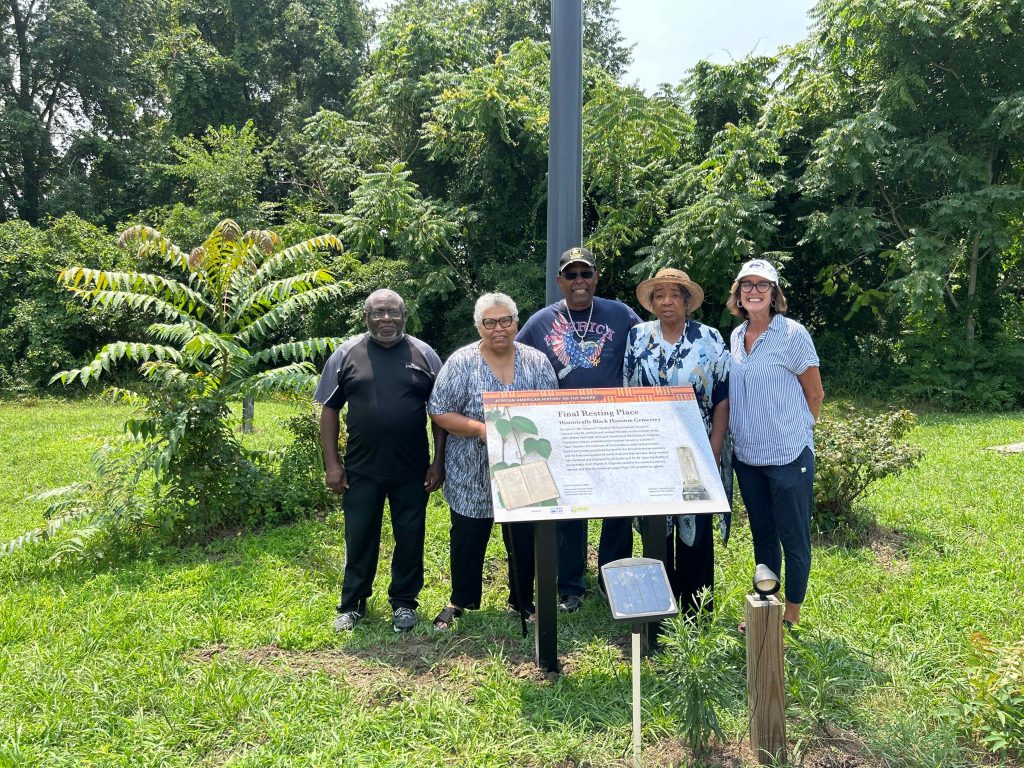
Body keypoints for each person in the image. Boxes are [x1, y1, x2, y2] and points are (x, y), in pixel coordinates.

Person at [517, 247, 642, 612]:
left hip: (613, 426)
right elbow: (516, 356)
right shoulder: (541, 321)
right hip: (563, 430)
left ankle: (612, 577)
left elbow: (646, 350)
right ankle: (570, 585)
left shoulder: (620, 314)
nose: (579, 282)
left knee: (618, 507)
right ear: (560, 281)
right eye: (571, 275)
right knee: (570, 509)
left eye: (585, 274)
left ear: (595, 277)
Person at [315, 289, 446, 633]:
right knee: (359, 537)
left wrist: (438, 462)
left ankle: (404, 603)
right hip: (360, 470)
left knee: (410, 537)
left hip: (412, 470)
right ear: (366, 317)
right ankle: (352, 604)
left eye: (392, 312)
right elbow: (329, 409)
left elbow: (440, 414)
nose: (385, 319)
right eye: (378, 313)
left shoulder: (426, 355)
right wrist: (332, 464)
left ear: (404, 316)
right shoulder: (346, 354)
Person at [427, 293, 558, 630]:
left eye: (505, 321)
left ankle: (523, 600)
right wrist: (481, 428)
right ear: (479, 326)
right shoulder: (460, 362)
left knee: (525, 535)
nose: (498, 328)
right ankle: (461, 599)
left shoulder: (536, 361)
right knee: (468, 534)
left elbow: (552, 410)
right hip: (472, 469)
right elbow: (439, 410)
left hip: (524, 467)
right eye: (490, 322)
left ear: (516, 323)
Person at [623, 267, 730, 615]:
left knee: (694, 528)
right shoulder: (637, 337)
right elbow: (627, 392)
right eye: (660, 294)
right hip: (650, 446)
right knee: (656, 526)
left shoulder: (709, 338)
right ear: (652, 302)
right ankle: (660, 608)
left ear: (687, 301)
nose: (667, 300)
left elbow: (723, 398)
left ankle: (696, 610)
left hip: (695, 446)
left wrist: (713, 452)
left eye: (674, 294)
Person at [727, 259, 824, 629]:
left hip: (788, 455)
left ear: (774, 293)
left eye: (762, 285)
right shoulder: (736, 337)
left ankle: (792, 613)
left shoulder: (793, 334)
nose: (753, 291)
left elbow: (814, 393)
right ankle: (767, 605)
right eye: (746, 285)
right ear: (738, 293)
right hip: (748, 457)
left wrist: (797, 434)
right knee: (763, 534)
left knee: (793, 536)